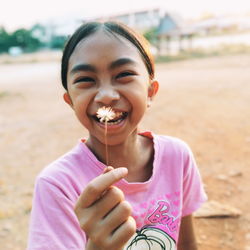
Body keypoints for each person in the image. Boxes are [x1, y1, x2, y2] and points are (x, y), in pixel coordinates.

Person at [27, 21, 207, 250]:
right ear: (70, 101)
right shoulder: (57, 185)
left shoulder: (177, 156)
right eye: (85, 80)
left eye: (123, 74)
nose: (106, 95)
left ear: (150, 92)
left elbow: (187, 243)